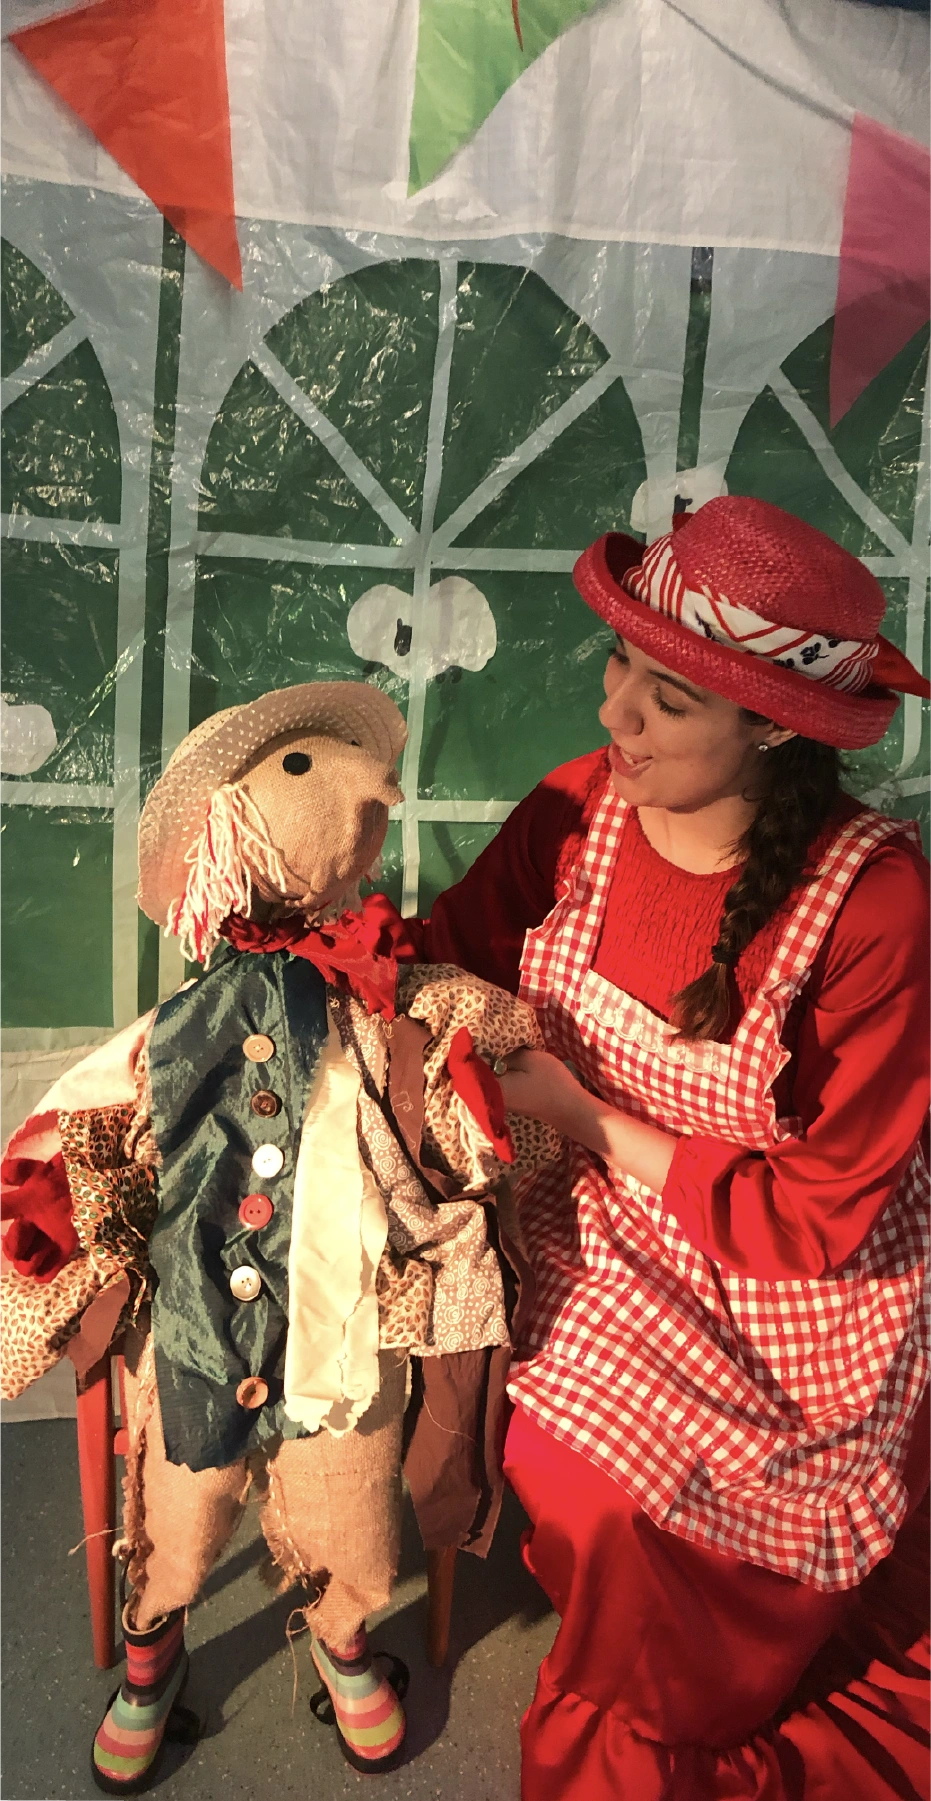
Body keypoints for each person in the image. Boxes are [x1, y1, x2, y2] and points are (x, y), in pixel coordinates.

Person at [415, 497, 931, 1799]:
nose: (611, 718)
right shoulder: (576, 809)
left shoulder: (870, 899)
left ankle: (682, 1705)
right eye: (617, 669)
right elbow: (449, 953)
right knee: (572, 1474)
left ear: (772, 725)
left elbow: (824, 1216)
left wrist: (581, 1113)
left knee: (706, 1501)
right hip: (595, 1213)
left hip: (796, 1272)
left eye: (668, 703)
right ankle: (633, 1679)